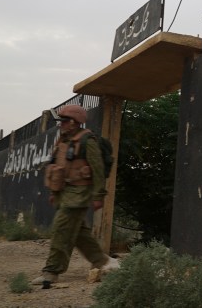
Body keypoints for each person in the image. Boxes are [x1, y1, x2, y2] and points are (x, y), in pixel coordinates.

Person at [32, 105, 119, 288]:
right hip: (64, 193)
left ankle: (51, 272)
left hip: (79, 194)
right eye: (60, 121)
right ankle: (102, 261)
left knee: (61, 230)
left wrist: (98, 196)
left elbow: (97, 170)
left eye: (64, 121)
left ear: (74, 122)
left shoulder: (88, 141)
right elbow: (57, 166)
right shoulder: (63, 140)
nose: (61, 125)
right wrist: (54, 193)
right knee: (79, 232)